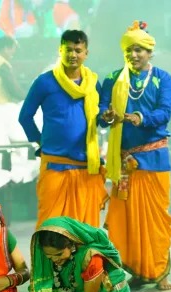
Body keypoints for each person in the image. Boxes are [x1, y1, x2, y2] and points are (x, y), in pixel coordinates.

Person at [100, 20, 171, 291]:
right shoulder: (112, 79)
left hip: (154, 158)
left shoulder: (162, 78)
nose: (133, 55)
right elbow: (101, 109)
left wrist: (140, 118)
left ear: (149, 52)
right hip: (123, 162)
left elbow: (164, 112)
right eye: (129, 50)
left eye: (139, 50)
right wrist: (106, 115)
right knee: (129, 222)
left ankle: (159, 270)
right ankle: (139, 271)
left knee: (155, 219)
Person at [19, 30, 106, 229]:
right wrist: (41, 141)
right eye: (68, 50)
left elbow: (101, 118)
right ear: (60, 50)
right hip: (55, 164)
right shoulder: (45, 81)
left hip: (86, 166)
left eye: (78, 50)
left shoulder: (93, 83)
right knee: (51, 226)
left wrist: (107, 117)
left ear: (86, 53)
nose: (73, 54)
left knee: (85, 229)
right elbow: (25, 117)